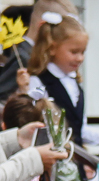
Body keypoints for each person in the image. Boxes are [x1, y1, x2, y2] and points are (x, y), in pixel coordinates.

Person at [26, 10, 90, 146]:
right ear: (52, 48)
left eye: (83, 52)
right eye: (74, 52)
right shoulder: (39, 82)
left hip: (75, 153)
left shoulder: (74, 83)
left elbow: (81, 129)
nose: (80, 58)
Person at [0, 0, 78, 105]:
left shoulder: (42, 57)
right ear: (43, 26)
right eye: (62, 31)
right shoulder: (24, 58)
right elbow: (3, 98)